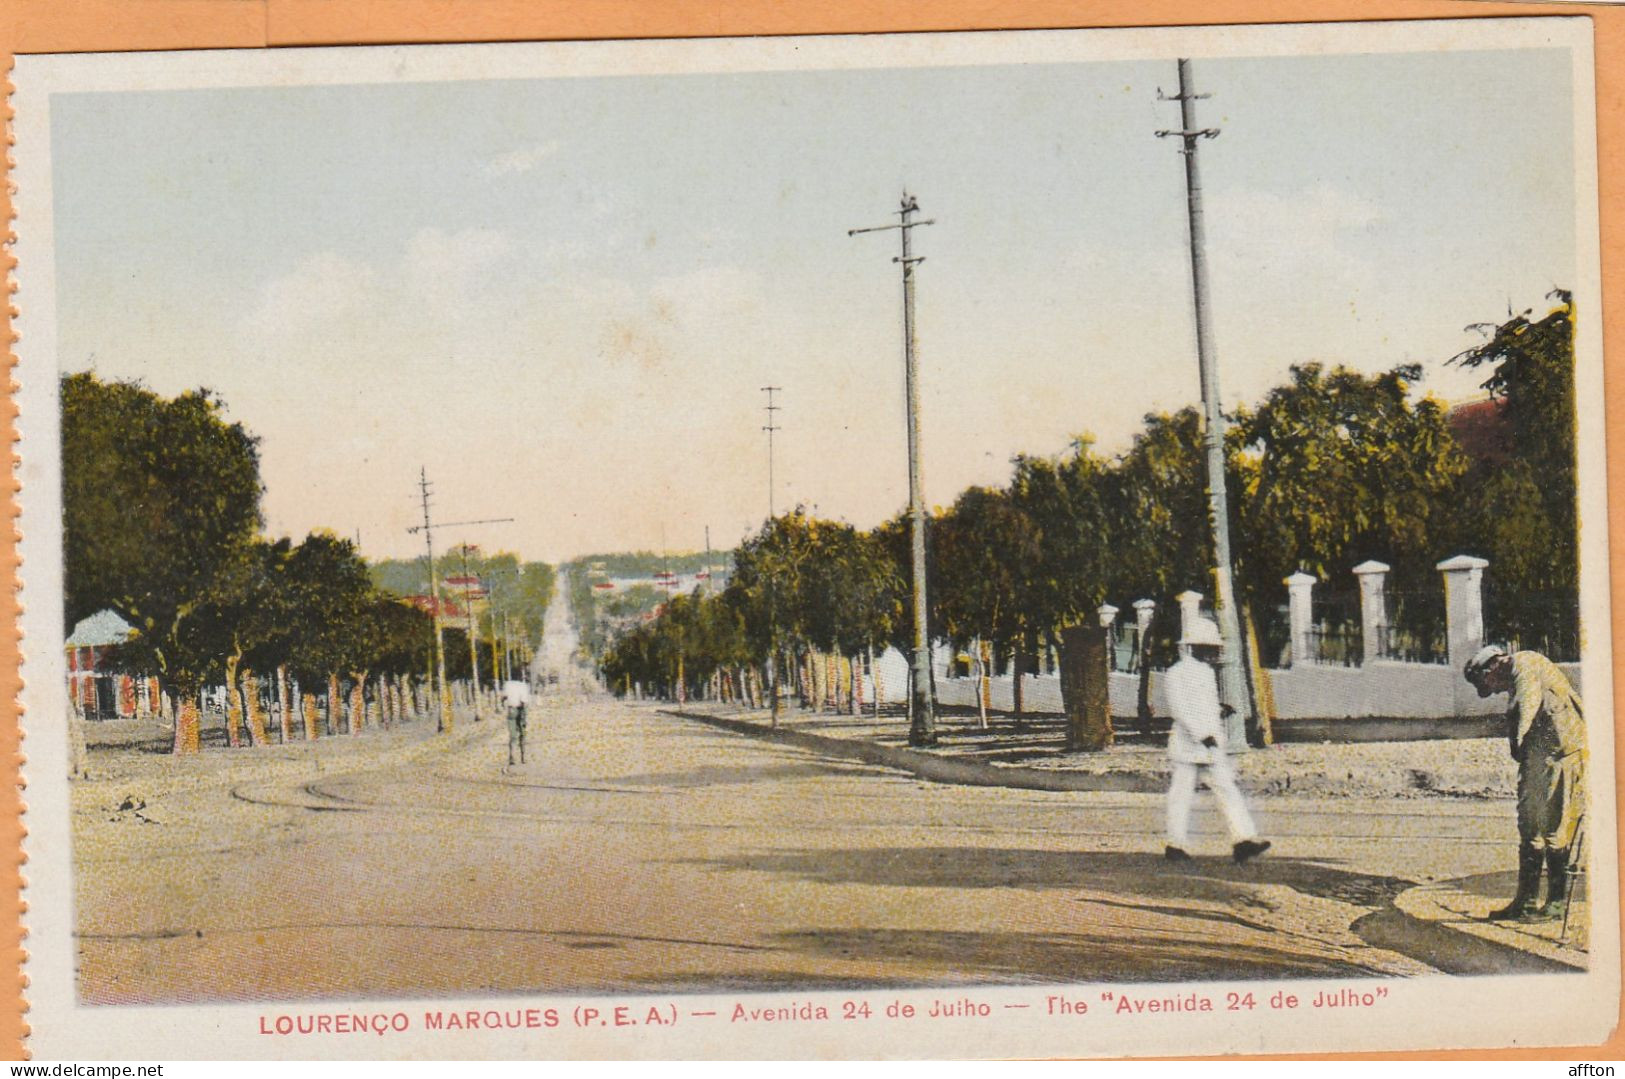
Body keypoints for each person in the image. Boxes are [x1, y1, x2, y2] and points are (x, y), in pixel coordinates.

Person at [1463, 644, 1585, 921]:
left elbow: (1527, 704)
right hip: (1540, 755)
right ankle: (1526, 901)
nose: (1492, 691)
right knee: (1530, 825)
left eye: (1487, 685)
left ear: (1492, 667)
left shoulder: (1524, 665)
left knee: (1553, 827)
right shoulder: (1519, 671)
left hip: (1560, 756)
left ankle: (1554, 905)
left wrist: (1517, 740)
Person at [1163, 617, 1270, 865]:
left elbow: (1202, 706)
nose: (1213, 651)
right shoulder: (1176, 673)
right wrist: (1203, 735)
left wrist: (1219, 710)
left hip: (1208, 746)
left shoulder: (1206, 672)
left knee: (1227, 791)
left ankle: (1243, 840)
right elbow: (1180, 709)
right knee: (1181, 796)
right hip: (1189, 745)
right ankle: (1175, 844)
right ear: (1195, 646)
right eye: (1209, 647)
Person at [502, 679, 531, 766]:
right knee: (522, 733)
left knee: (513, 735)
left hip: (511, 710)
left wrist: (503, 703)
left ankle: (512, 757)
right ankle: (523, 757)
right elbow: (524, 701)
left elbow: (503, 697)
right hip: (521, 710)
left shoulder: (507, 684)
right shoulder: (523, 685)